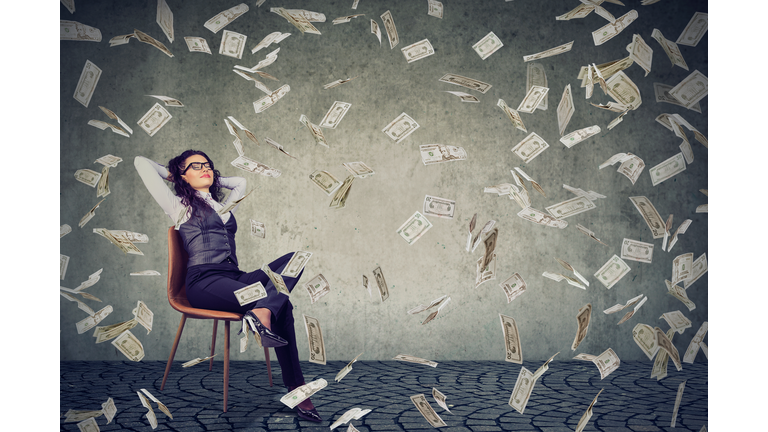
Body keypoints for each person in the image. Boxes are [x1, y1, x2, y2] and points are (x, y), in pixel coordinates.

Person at [134, 150, 321, 423]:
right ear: (182, 175)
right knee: (285, 305)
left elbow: (241, 183)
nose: (204, 169)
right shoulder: (177, 205)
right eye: (195, 166)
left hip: (235, 278)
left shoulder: (223, 206)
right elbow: (141, 163)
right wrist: (175, 174)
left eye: (208, 165)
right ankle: (297, 389)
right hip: (204, 282)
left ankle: (262, 312)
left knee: (295, 259)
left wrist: (210, 178)